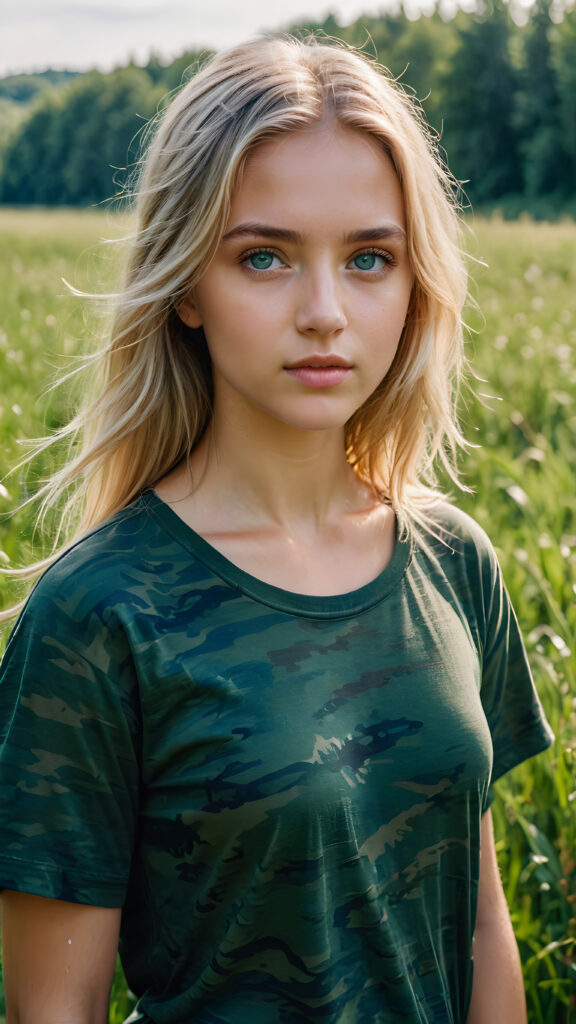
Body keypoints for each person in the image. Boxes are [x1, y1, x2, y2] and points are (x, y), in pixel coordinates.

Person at [0, 35, 553, 1024]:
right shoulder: (96, 616)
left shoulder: (452, 560)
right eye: (264, 256)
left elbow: (477, 928)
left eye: (370, 258)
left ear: (415, 281)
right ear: (184, 286)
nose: (326, 312)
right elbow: (57, 1008)